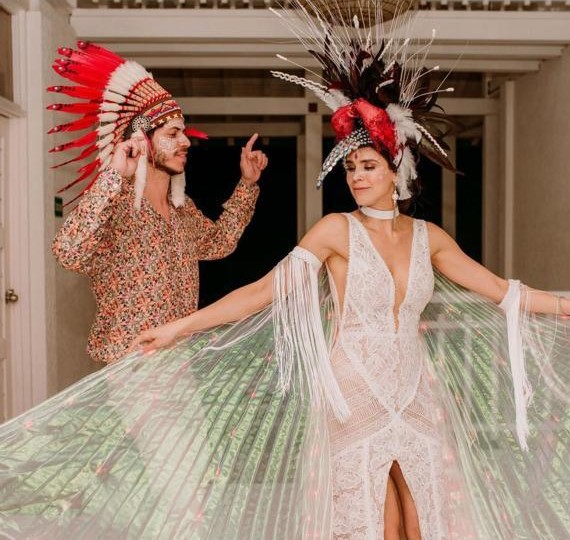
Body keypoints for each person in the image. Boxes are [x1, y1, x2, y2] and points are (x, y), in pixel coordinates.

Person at [0, 4, 568, 539]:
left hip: (409, 391)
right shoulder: (328, 230)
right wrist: (179, 325)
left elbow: (501, 292)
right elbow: (259, 290)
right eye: (350, 167)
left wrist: (564, 305)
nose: (357, 176)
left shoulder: (426, 238)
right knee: (349, 516)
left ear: (399, 171)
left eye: (368, 165)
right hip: (269, 379)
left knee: (420, 516)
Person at [50, 42, 267, 363]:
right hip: (132, 365)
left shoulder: (182, 209)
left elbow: (219, 243)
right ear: (143, 140)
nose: (186, 141)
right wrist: (113, 176)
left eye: (183, 133)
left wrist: (247, 184)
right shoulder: (115, 202)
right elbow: (67, 254)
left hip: (179, 360)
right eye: (173, 133)